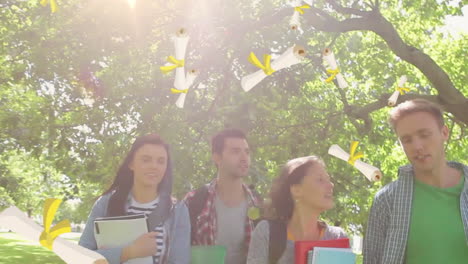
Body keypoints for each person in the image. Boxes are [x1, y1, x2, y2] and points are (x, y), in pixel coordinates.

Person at [363, 99, 468, 264]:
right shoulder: (387, 200)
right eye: (407, 140)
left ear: (444, 133)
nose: (417, 146)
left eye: (424, 135)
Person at [79, 134, 190, 264]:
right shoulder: (105, 204)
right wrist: (130, 252)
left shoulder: (178, 210)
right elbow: (82, 256)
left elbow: (180, 261)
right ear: (131, 164)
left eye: (161, 161)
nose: (154, 166)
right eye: (146, 159)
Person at [247, 156, 347, 264]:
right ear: (296, 190)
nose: (331, 185)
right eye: (320, 179)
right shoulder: (267, 232)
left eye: (329, 179)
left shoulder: (337, 237)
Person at [184, 128, 262, 264]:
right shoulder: (194, 201)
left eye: (247, 152)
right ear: (217, 157)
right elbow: (178, 251)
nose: (244, 158)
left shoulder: (259, 204)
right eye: (235, 151)